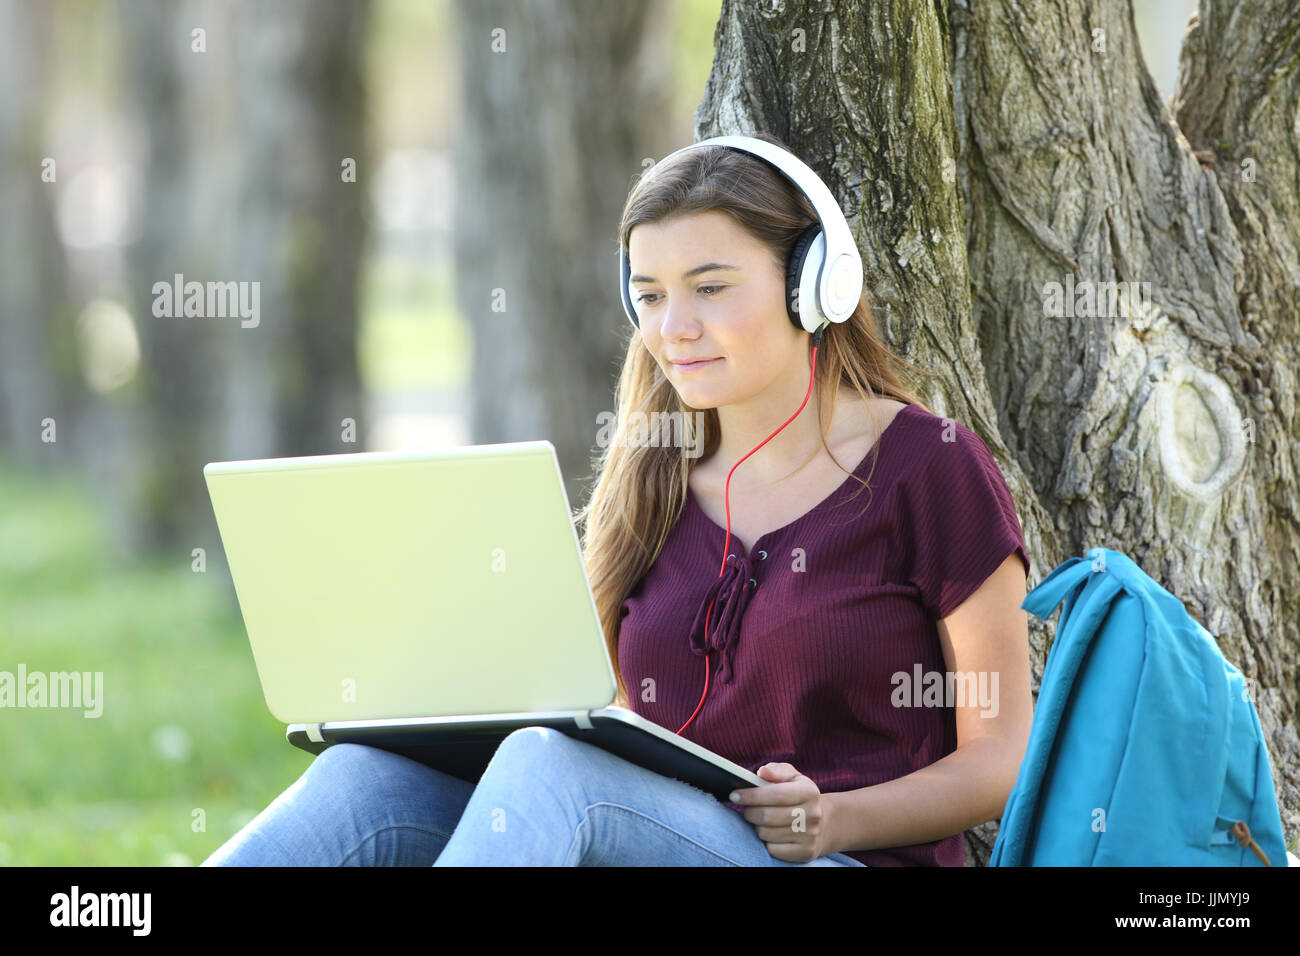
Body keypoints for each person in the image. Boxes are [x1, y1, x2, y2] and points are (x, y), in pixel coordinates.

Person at [203, 132, 1032, 867]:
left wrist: (834, 818)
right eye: (651, 295)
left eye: (711, 287)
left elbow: (999, 761)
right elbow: (607, 719)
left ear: (814, 285)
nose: (674, 326)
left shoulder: (929, 468)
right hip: (656, 835)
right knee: (365, 778)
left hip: (837, 859)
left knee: (550, 771)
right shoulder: (654, 475)